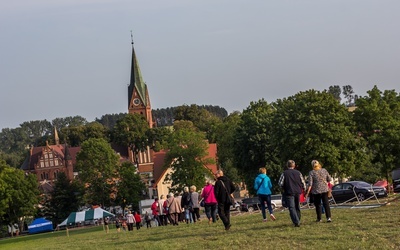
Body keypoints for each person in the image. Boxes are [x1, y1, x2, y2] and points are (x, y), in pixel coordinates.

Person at [279, 160, 306, 227]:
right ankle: (298, 219)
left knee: (291, 207)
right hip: (297, 191)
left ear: (287, 165)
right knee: (297, 206)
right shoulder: (298, 173)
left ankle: (296, 221)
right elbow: (303, 182)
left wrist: (283, 188)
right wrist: (304, 189)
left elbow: (280, 183)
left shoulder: (284, 173)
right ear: (294, 165)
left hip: (289, 192)